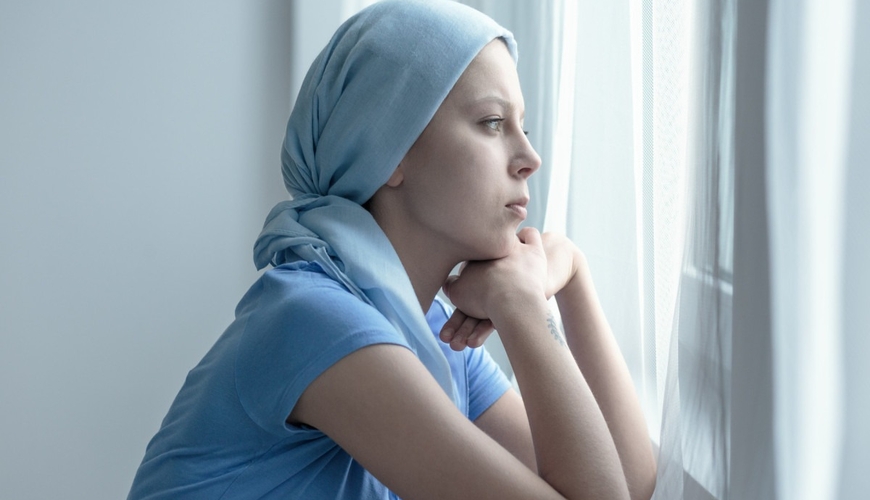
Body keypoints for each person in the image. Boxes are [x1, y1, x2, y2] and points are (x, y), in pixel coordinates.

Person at [128, 1, 656, 499]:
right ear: (391, 151)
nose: (530, 157)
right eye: (492, 123)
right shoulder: (315, 320)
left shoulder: (431, 332)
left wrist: (573, 275)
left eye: (524, 126)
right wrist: (522, 304)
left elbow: (629, 483)